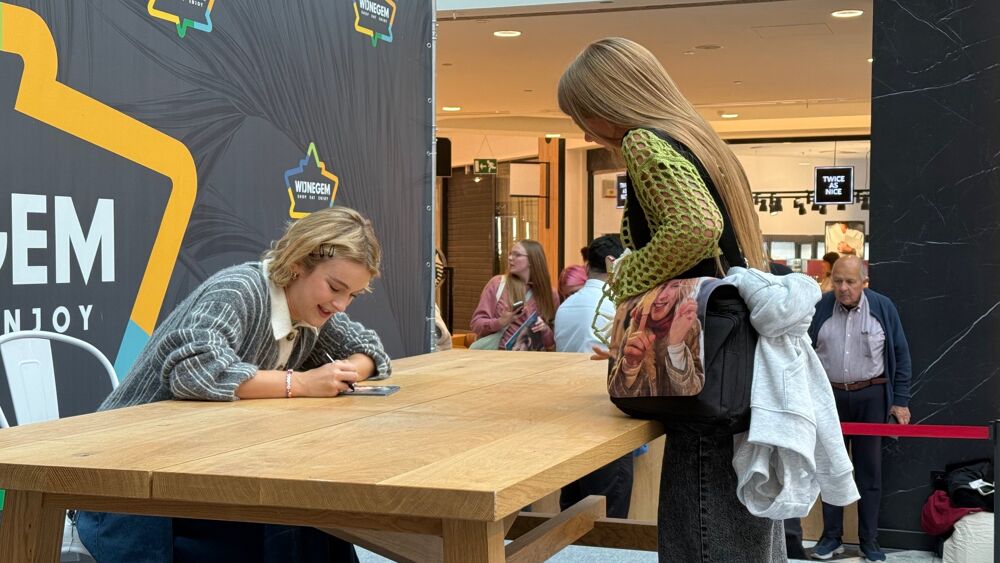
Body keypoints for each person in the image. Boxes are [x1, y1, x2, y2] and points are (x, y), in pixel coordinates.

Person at [558, 37, 783, 561]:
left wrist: (628, 275)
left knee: (702, 529)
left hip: (705, 365)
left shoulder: (643, 141)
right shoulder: (700, 142)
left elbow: (694, 227)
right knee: (741, 520)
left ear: (607, 100)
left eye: (582, 114)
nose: (583, 129)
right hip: (737, 355)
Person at [76, 206, 391, 563]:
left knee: (313, 517)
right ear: (298, 263)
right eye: (335, 287)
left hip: (197, 465)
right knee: (293, 518)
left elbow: (369, 350)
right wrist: (300, 382)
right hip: (129, 477)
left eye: (352, 295)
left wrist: (345, 371)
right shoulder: (240, 290)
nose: (340, 305)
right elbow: (193, 371)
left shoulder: (310, 312)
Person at [807, 255, 912, 562]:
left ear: (863, 282)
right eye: (837, 281)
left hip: (872, 396)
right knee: (830, 469)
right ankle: (831, 538)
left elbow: (900, 355)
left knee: (869, 473)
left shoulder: (883, 308)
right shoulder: (820, 308)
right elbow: (803, 352)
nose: (843, 288)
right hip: (830, 398)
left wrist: (900, 401)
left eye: (850, 282)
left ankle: (869, 541)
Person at [555, 234, 634, 518]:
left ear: (588, 266)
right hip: (606, 420)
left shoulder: (566, 306)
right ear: (615, 263)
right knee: (608, 519)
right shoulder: (618, 305)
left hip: (568, 420)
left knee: (570, 513)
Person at [470, 239, 559, 350]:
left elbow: (553, 344)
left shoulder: (550, 294)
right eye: (511, 254)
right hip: (495, 359)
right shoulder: (497, 284)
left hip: (532, 362)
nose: (510, 258)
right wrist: (500, 322)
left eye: (517, 255)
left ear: (532, 260)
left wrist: (545, 330)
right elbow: (476, 324)